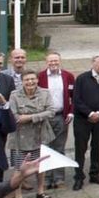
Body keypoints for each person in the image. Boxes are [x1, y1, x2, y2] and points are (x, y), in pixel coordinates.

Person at [7, 70, 55, 198]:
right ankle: (18, 196)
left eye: (33, 79)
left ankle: (40, 191)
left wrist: (29, 117)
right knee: (19, 168)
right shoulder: (14, 95)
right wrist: (40, 115)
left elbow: (51, 111)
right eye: (27, 80)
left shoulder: (45, 93)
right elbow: (14, 117)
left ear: (37, 80)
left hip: (41, 136)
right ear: (22, 81)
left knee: (41, 166)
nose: (30, 82)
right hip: (20, 138)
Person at [72, 53, 99, 190]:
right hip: (83, 119)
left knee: (97, 147)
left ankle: (94, 174)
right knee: (80, 148)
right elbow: (76, 100)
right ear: (93, 63)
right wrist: (89, 113)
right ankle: (78, 177)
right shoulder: (82, 79)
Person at [37, 52, 74, 189]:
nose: (53, 63)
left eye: (56, 61)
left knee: (59, 148)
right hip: (44, 118)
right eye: (50, 61)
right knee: (45, 148)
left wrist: (70, 112)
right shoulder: (39, 77)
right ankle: (46, 180)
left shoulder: (68, 76)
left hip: (61, 116)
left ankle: (59, 179)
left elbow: (72, 96)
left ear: (60, 61)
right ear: (46, 62)